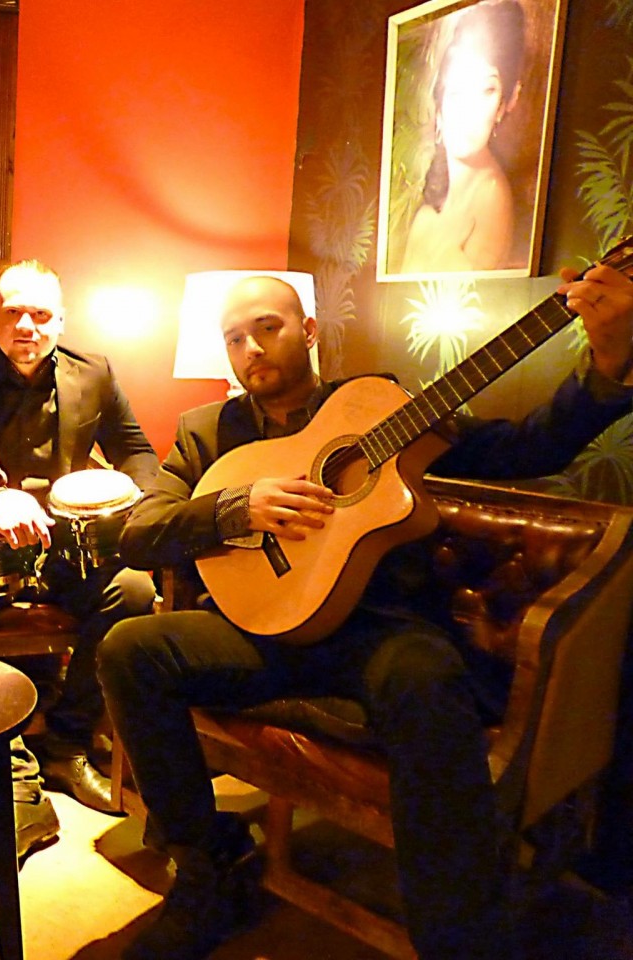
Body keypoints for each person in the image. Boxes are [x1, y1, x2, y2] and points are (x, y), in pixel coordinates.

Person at [97, 267, 633, 960]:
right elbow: (140, 531)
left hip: (374, 630)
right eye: (234, 338)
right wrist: (236, 508)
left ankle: (459, 941)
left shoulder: (376, 408)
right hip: (256, 631)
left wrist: (607, 367)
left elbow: (523, 448)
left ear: (308, 331)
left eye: (267, 327)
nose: (251, 348)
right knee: (129, 648)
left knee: (427, 680)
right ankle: (207, 873)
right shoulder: (207, 430)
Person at [0, 259, 160, 874]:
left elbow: (137, 453)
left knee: (133, 591)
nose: (26, 326)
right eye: (13, 312)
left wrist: (133, 501)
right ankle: (11, 768)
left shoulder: (95, 372)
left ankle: (68, 740)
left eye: (40, 314)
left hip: (64, 546)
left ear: (61, 321)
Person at [401, 0, 527, 273]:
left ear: (505, 103)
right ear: (440, 107)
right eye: (457, 92)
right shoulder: (426, 217)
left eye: (486, 90)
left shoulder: (491, 196)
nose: (467, 111)